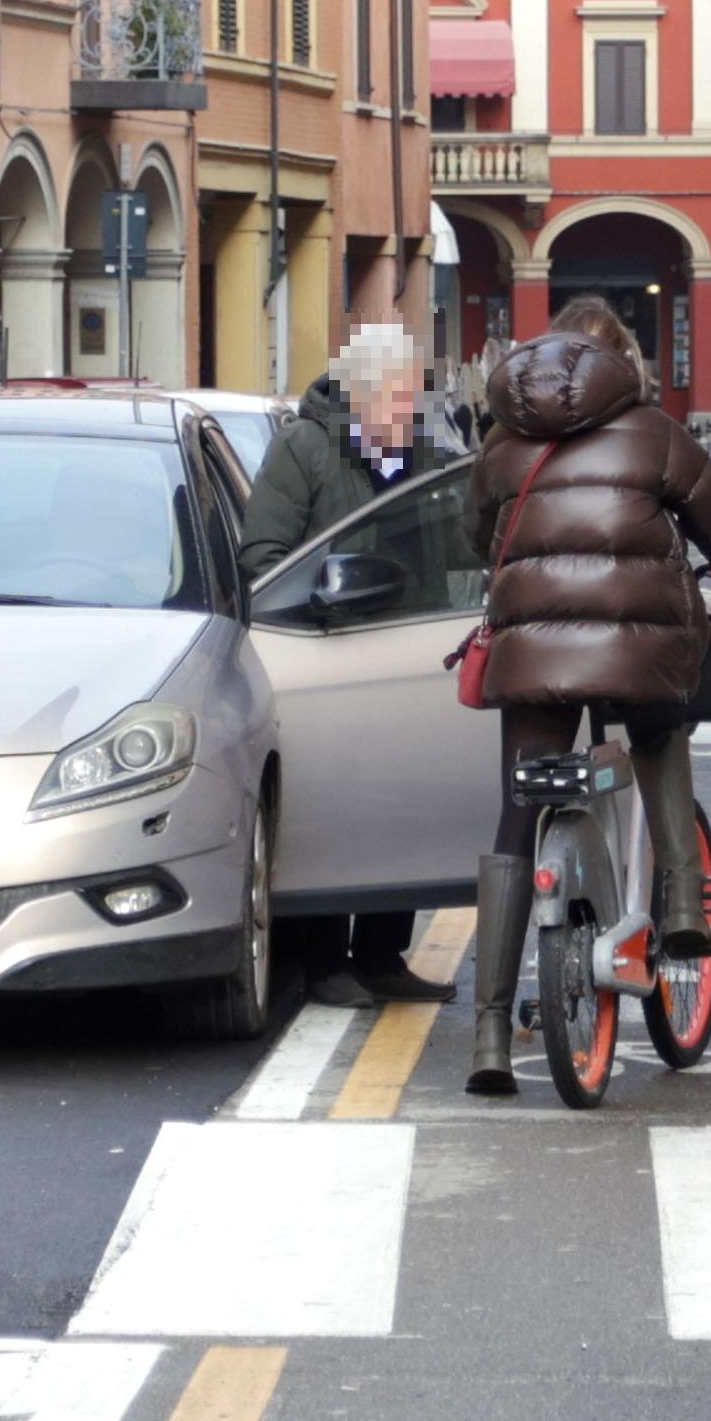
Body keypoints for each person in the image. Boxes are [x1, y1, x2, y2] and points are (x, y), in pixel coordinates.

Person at [463, 297, 711, 1096]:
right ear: (619, 363)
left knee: (517, 810)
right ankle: (681, 906)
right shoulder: (652, 431)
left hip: (531, 649)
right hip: (637, 649)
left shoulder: (504, 439)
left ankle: (491, 1033)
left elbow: (477, 540)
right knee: (659, 732)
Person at [240, 322, 458, 1007]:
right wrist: (313, 609)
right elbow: (265, 555)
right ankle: (324, 959)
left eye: (413, 396)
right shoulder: (305, 447)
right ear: (358, 393)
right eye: (396, 397)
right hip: (331, 653)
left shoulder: (423, 453)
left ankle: (383, 951)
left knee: (406, 802)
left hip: (408, 650)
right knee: (335, 805)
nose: (407, 409)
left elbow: (454, 546)